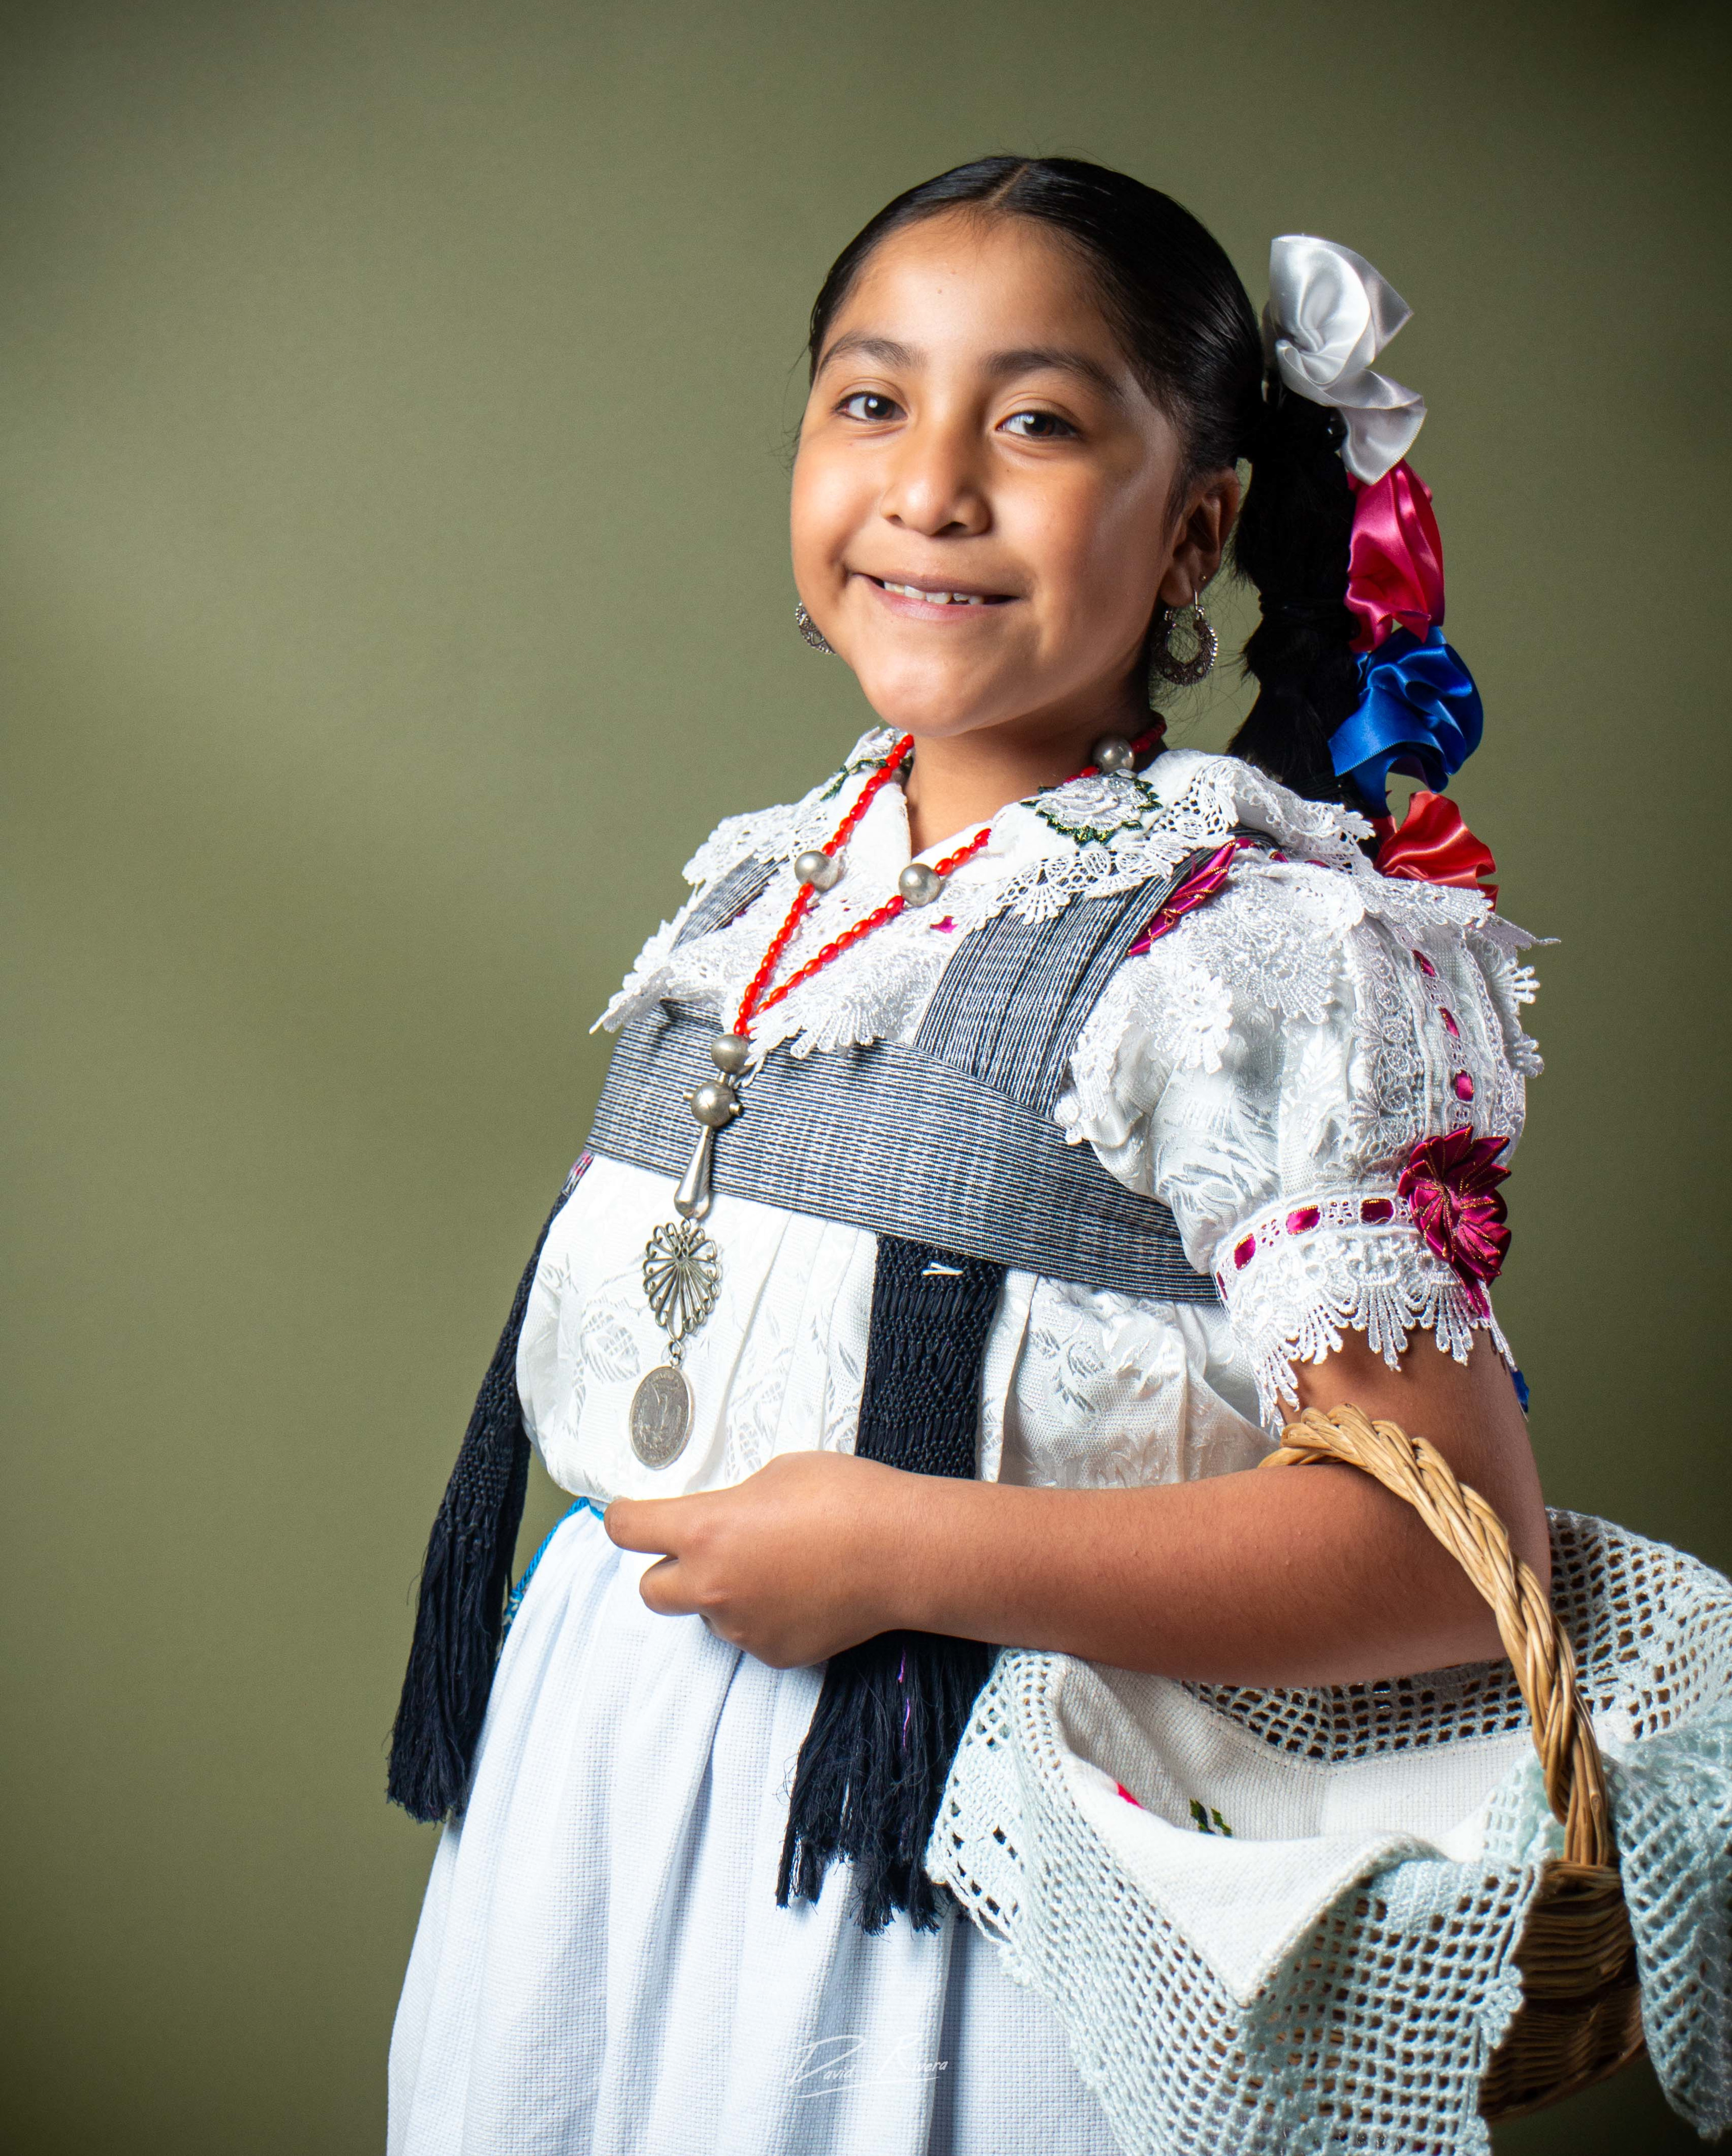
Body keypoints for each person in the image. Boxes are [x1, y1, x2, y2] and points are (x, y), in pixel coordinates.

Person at [384, 157, 1550, 2154]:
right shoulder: (770, 888)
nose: (930, 487)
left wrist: (910, 1552)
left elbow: (1455, 1554)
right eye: (872, 400)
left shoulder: (1253, 958)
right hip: (600, 1828)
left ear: (1195, 532)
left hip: (949, 1896)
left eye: (1036, 423)